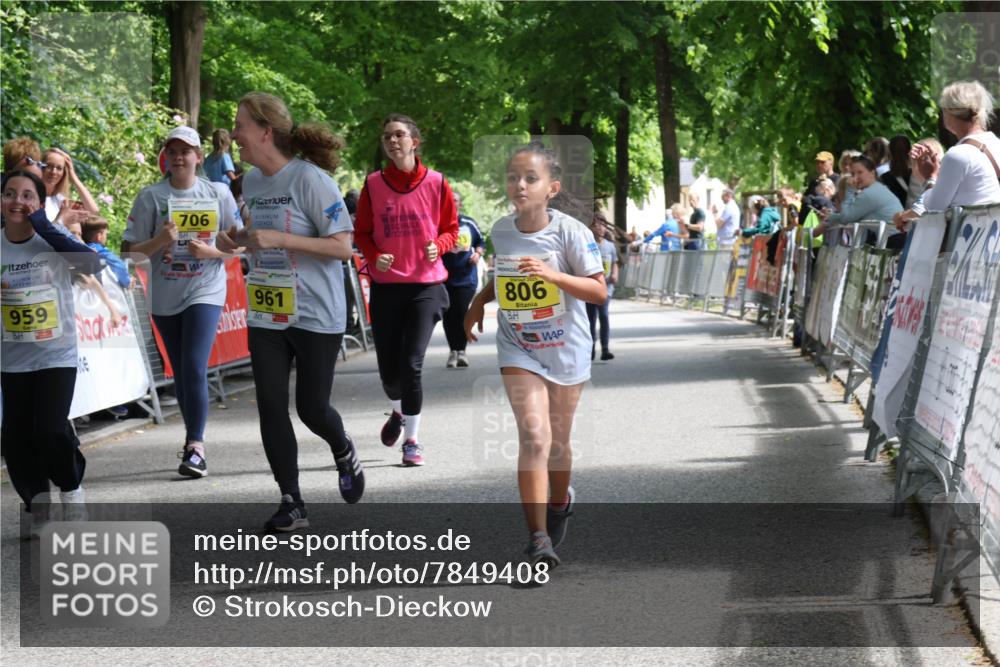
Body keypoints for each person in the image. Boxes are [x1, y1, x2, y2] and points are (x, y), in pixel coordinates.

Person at [220, 92, 362, 530]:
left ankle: (343, 450)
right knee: (269, 404)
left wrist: (280, 241)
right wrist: (237, 239)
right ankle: (291, 500)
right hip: (268, 311)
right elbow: (261, 235)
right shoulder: (253, 183)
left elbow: (343, 247)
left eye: (240, 124)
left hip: (316, 312)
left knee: (312, 408)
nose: (234, 134)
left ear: (265, 131)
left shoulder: (311, 180)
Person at [464, 142, 606, 567]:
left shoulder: (571, 233)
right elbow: (504, 276)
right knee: (535, 436)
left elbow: (598, 290)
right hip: (519, 345)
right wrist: (476, 304)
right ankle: (538, 538)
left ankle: (559, 501)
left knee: (559, 443)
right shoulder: (502, 230)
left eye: (530, 178)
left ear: (552, 188)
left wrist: (553, 275)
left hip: (566, 347)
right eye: (513, 177)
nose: (519, 185)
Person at [123, 126, 242, 479]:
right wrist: (160, 240)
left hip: (206, 288)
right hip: (165, 295)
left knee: (193, 365)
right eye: (172, 151)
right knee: (181, 371)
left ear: (199, 157)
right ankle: (193, 441)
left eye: (186, 151)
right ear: (165, 157)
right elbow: (127, 251)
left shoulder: (218, 192)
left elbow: (238, 243)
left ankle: (195, 446)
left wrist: (216, 249)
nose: (179, 157)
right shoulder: (150, 197)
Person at [1, 170, 102, 535]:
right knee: (15, 438)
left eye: (27, 196)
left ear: (39, 204)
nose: (17, 202)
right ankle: (36, 504)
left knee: (48, 429)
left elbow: (93, 264)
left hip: (56, 354)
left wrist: (45, 226)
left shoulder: (51, 239)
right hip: (12, 358)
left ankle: (71, 488)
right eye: (9, 194)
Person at [354, 114, 458, 467]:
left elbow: (451, 229)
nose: (392, 141)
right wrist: (374, 256)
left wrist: (440, 245)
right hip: (387, 287)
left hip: (426, 286)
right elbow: (363, 233)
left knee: (411, 363)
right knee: (389, 373)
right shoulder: (372, 184)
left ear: (414, 141)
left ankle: (412, 440)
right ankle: (398, 411)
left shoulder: (437, 183)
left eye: (399, 135)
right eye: (387, 137)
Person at [915, 81, 1000, 212]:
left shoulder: (958, 154)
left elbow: (934, 208)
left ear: (948, 115)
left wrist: (930, 178)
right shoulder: (996, 144)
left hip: (963, 232)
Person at [441, 191, 485, 369]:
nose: (453, 203)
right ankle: (453, 351)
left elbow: (481, 242)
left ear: (459, 204)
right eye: (450, 200)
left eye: (456, 200)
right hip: (444, 277)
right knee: (448, 315)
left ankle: (462, 351)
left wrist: (477, 253)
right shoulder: (438, 224)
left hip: (466, 277)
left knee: (460, 313)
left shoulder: (468, 223)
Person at [818, 155, 903, 231]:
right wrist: (830, 217)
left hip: (892, 242)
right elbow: (854, 216)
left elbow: (846, 218)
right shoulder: (876, 188)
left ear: (872, 173)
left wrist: (849, 190)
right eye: (852, 174)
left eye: (860, 172)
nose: (855, 178)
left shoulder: (870, 193)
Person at [587, 212, 618, 361]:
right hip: (590, 288)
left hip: (606, 287)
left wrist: (615, 274)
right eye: (595, 224)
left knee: (604, 315)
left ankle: (605, 348)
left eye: (602, 224)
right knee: (590, 319)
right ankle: (590, 348)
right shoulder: (587, 245)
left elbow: (614, 262)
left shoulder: (610, 246)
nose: (599, 227)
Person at [40, 147, 99, 224]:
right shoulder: (31, 197)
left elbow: (93, 211)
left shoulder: (59, 200)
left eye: (59, 168)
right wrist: (61, 221)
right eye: (49, 166)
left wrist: (73, 177)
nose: (54, 172)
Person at [81, 214, 130, 289]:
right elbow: (118, 264)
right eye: (106, 234)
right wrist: (127, 282)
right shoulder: (99, 250)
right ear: (99, 237)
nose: (106, 237)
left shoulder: (80, 248)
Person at [880, 135, 912, 208]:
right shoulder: (920, 174)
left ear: (890, 152)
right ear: (910, 151)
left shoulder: (884, 177)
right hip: (916, 214)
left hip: (896, 215)